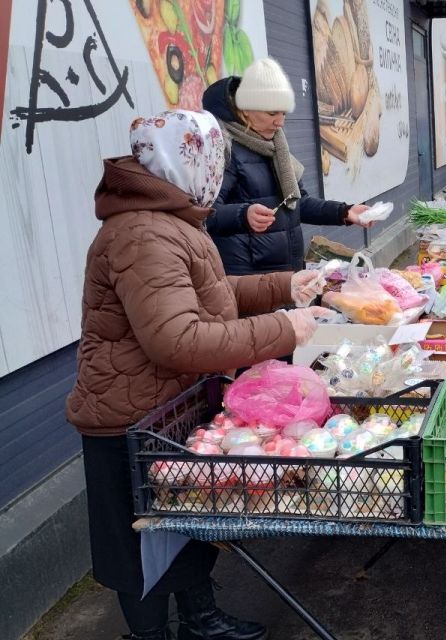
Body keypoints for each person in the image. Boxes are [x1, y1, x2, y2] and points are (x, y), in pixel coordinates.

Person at [66, 110, 332, 640]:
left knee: (185, 521)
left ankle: (200, 619)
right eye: (212, 160)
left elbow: (212, 292)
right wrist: (282, 329)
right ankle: (149, 634)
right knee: (139, 544)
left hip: (165, 405)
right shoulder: (142, 233)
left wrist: (285, 286)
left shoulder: (172, 218)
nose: (217, 171)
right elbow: (179, 339)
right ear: (183, 162)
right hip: (128, 416)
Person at [202, 58, 371, 276]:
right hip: (248, 279)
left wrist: (344, 212)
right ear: (245, 110)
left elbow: (297, 204)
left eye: (283, 113)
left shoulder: (276, 147)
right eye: (272, 113)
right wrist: (243, 215)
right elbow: (204, 214)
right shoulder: (223, 149)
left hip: (285, 274)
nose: (280, 122)